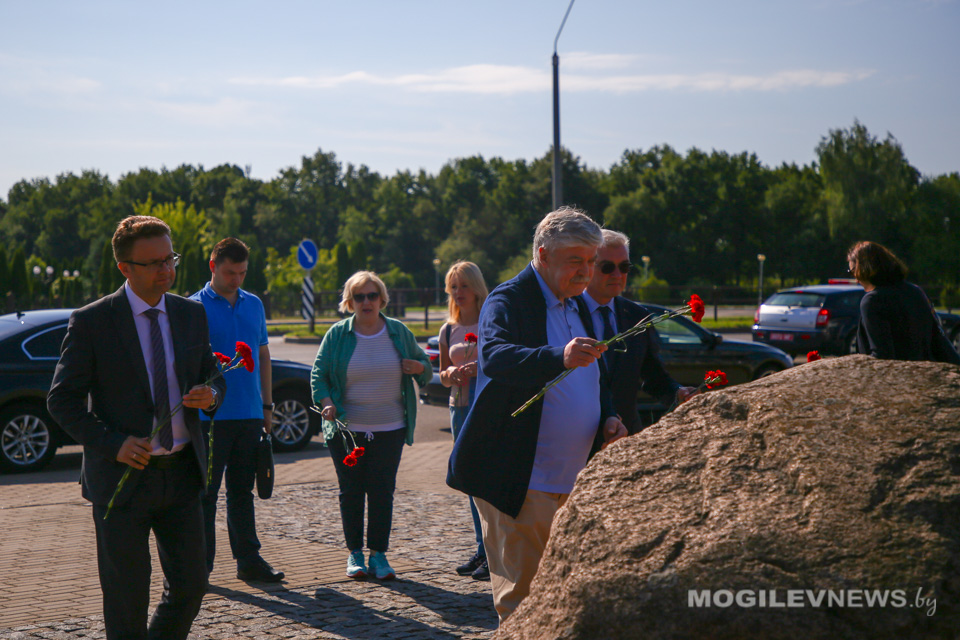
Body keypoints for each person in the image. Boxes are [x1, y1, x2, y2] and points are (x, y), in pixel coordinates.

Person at [47, 215, 226, 640]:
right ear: (125, 268)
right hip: (122, 479)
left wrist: (212, 394)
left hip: (181, 474)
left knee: (192, 586)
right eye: (154, 263)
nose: (167, 270)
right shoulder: (92, 321)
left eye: (170, 259)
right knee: (126, 601)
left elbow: (212, 373)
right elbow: (61, 400)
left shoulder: (190, 313)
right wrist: (113, 444)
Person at [447, 207, 627, 624]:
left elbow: (594, 376)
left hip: (571, 480)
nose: (587, 272)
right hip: (522, 480)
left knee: (560, 600)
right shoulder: (509, 299)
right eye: (575, 261)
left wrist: (607, 417)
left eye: (591, 261)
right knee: (523, 604)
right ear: (543, 255)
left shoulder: (576, 303)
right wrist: (558, 356)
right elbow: (496, 356)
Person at [311, 271, 432, 581]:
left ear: (382, 299)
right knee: (351, 491)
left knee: (382, 492)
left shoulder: (398, 332)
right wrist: (326, 401)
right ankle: (355, 554)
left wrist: (418, 366)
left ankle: (378, 555)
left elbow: (426, 367)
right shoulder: (337, 334)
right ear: (349, 302)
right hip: (347, 431)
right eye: (359, 296)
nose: (366, 302)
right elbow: (318, 374)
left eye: (372, 295)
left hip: (390, 428)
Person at [190, 237, 284, 583]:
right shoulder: (193, 307)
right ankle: (200, 567)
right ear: (213, 267)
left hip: (249, 413)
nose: (237, 279)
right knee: (205, 495)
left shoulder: (254, 304)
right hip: (209, 418)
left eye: (242, 273)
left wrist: (267, 406)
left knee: (242, 492)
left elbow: (263, 355)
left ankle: (248, 560)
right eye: (230, 272)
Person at [577, 229, 698, 435]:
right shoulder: (567, 312)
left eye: (624, 267)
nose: (617, 275)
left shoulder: (637, 316)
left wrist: (677, 392)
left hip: (625, 433)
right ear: (589, 266)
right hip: (577, 435)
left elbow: (653, 375)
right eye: (607, 267)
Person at [437, 261, 490, 581]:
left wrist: (478, 368)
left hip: (485, 407)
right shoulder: (447, 329)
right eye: (453, 287)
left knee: (487, 479)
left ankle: (494, 551)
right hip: (458, 407)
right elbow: (442, 375)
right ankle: (482, 549)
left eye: (464, 286)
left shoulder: (490, 323)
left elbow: (502, 362)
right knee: (468, 479)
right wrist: (452, 373)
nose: (459, 292)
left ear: (477, 288)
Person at [848, 241, 960, 364]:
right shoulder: (916, 292)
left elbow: (882, 357)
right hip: (927, 372)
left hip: (898, 375)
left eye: (853, 271)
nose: (856, 279)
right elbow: (939, 341)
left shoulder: (872, 301)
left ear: (865, 268)